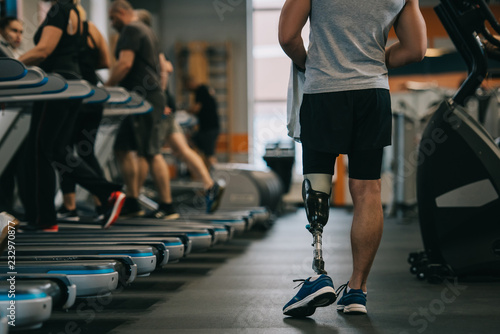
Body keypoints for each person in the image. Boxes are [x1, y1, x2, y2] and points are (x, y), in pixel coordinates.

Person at [279, 0, 426, 316]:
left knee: (318, 186)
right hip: (372, 92)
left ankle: (319, 274)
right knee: (368, 191)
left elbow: (288, 37)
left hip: (324, 90)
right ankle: (357, 290)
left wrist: (310, 62)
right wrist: (379, 58)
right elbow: (416, 50)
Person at [18, 0, 125, 231]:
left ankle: (47, 219)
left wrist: (14, 65)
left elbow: (43, 50)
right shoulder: (75, 12)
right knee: (55, 151)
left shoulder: (60, 9)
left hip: (56, 86)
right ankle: (104, 193)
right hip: (71, 85)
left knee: (42, 150)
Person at [135, 8, 225, 213]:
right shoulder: (151, 44)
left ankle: (151, 200)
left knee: (150, 153)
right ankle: (209, 185)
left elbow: (166, 68)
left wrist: (160, 96)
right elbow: (168, 68)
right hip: (167, 106)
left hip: (160, 107)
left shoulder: (147, 45)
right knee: (182, 150)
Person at [107, 0, 179, 219]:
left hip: (144, 99)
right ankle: (132, 200)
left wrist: (107, 87)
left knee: (150, 152)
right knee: (122, 147)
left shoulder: (131, 29)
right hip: (138, 99)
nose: (112, 24)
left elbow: (125, 64)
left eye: (113, 19)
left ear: (121, 12)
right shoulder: (147, 30)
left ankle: (167, 206)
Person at [56, 4, 114, 221]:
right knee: (86, 151)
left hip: (74, 93)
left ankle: (70, 207)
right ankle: (103, 205)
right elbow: (106, 62)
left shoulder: (65, 30)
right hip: (93, 93)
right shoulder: (93, 31)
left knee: (63, 150)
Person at [0, 17, 23, 214]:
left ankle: (8, 211)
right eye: (14, 30)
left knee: (12, 164)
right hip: (4, 111)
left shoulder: (18, 54)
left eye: (21, 32)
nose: (18, 36)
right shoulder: (4, 52)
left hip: (14, 112)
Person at [186, 76, 221, 169]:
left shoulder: (200, 90)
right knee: (204, 151)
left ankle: (215, 175)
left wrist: (186, 111)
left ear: (191, 83)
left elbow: (196, 108)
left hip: (209, 128)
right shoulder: (206, 89)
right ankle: (207, 174)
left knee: (209, 154)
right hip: (210, 127)